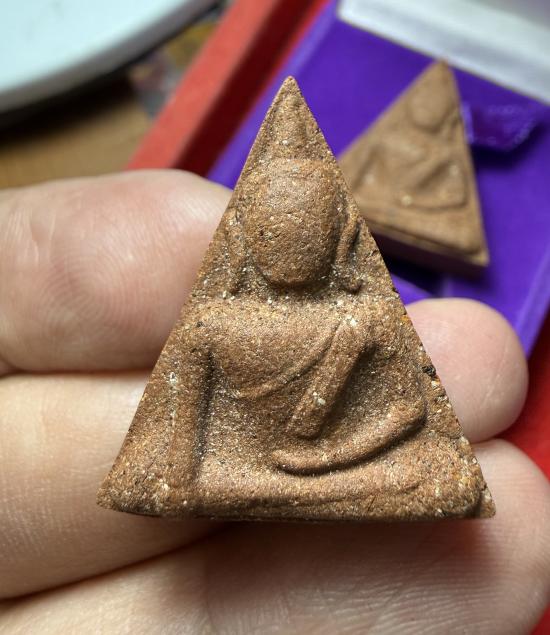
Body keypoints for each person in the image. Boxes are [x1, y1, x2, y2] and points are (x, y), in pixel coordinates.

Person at [0, 171, 548, 632]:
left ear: (336, 239)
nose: (289, 245)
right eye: (274, 232)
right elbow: (179, 461)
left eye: (306, 232)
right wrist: (194, 479)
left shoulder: (365, 320)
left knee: (431, 480)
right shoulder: (212, 326)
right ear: (250, 238)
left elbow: (409, 412)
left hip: (344, 467)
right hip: (241, 480)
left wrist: (332, 456)